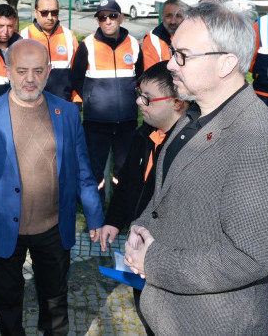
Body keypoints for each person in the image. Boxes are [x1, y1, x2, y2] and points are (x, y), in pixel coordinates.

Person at [124, 0, 268, 335]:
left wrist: (153, 260)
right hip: (167, 314)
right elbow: (167, 196)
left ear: (226, 64)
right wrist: (141, 227)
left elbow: (248, 257)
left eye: (183, 55)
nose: (170, 64)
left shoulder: (257, 138)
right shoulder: (191, 116)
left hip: (211, 322)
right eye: (173, 52)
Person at [0, 39, 104, 336]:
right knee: (7, 298)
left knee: (55, 297)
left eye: (38, 71)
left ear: (49, 72)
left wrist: (95, 217)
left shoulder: (67, 114)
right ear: (8, 70)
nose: (30, 79)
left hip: (53, 226)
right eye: (22, 70)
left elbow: (83, 172)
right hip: (2, 227)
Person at [99, 61, 187, 336]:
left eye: (147, 98)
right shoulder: (143, 133)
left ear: (178, 103)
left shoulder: (190, 148)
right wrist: (114, 221)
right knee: (147, 313)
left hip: (170, 260)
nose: (138, 102)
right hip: (140, 255)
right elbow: (126, 183)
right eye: (139, 93)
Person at [72, 0, 144, 198]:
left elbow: (140, 76)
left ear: (121, 18)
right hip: (96, 122)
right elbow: (76, 77)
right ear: (98, 21)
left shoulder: (134, 44)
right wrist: (90, 98)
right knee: (96, 173)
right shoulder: (87, 45)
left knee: (123, 171)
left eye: (112, 16)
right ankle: (96, 217)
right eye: (102, 17)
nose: (108, 21)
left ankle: (118, 216)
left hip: (127, 122)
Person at [19, 0, 79, 101]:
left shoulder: (69, 36)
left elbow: (77, 74)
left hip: (63, 103)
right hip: (32, 105)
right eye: (44, 13)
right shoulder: (22, 37)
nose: (50, 17)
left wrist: (77, 101)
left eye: (54, 12)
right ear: (35, 13)